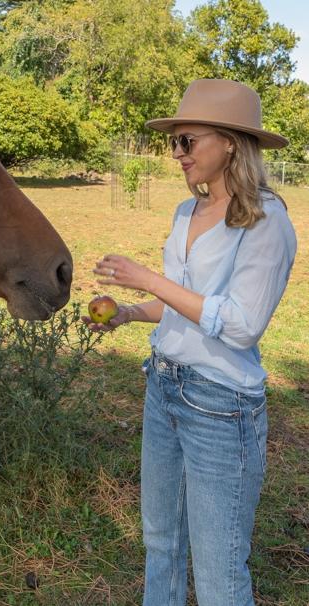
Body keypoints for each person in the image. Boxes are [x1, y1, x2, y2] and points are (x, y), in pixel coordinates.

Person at [84, 79, 297, 606]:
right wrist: (131, 313)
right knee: (161, 544)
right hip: (165, 389)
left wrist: (147, 280)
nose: (176, 155)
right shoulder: (186, 213)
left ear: (229, 142)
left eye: (187, 142)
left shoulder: (268, 222)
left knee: (220, 571)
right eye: (173, 143)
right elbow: (185, 304)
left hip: (222, 409)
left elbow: (243, 325)